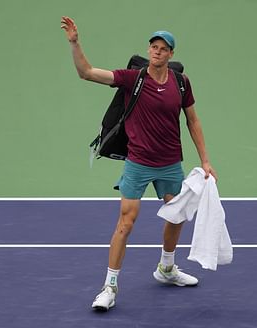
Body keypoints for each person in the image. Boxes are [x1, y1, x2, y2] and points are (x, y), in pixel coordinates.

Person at [60, 16, 218, 311]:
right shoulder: (133, 79)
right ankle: (109, 286)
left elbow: (193, 121)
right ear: (149, 50)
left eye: (163, 48)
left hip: (171, 163)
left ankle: (167, 269)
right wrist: (74, 42)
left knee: (177, 216)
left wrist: (206, 161)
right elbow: (86, 73)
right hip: (138, 163)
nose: (157, 51)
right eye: (153, 46)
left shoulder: (181, 84)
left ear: (171, 54)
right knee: (126, 223)